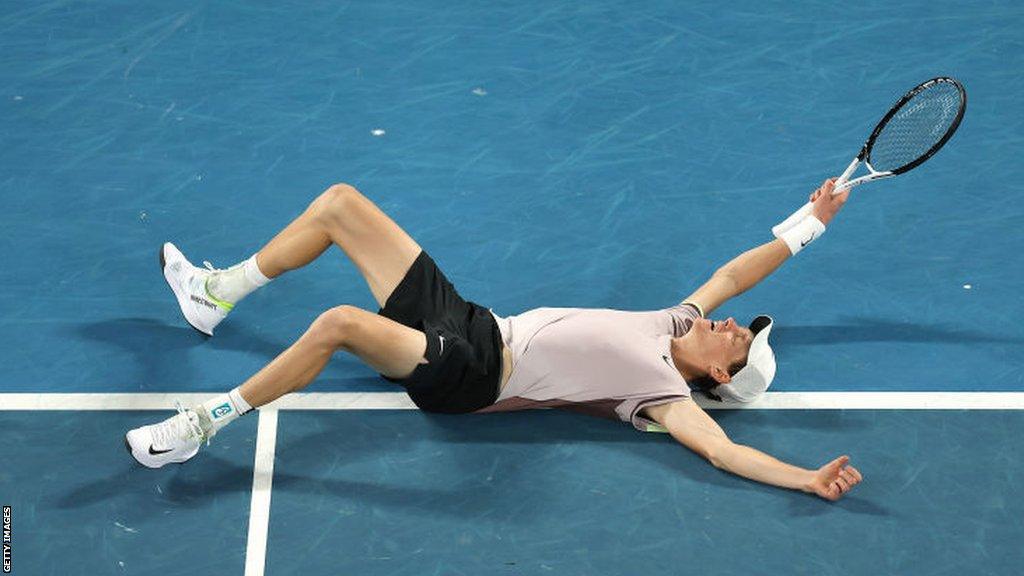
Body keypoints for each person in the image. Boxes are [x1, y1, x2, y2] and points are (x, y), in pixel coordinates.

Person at [125, 178, 863, 501]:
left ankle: (202, 424)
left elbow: (724, 452)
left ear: (721, 379)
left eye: (738, 341)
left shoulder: (663, 395)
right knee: (341, 205)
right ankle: (216, 294)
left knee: (340, 323)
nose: (731, 322)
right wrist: (812, 226)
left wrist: (804, 477)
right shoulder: (675, 321)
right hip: (473, 322)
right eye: (739, 322)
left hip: (474, 375)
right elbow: (733, 273)